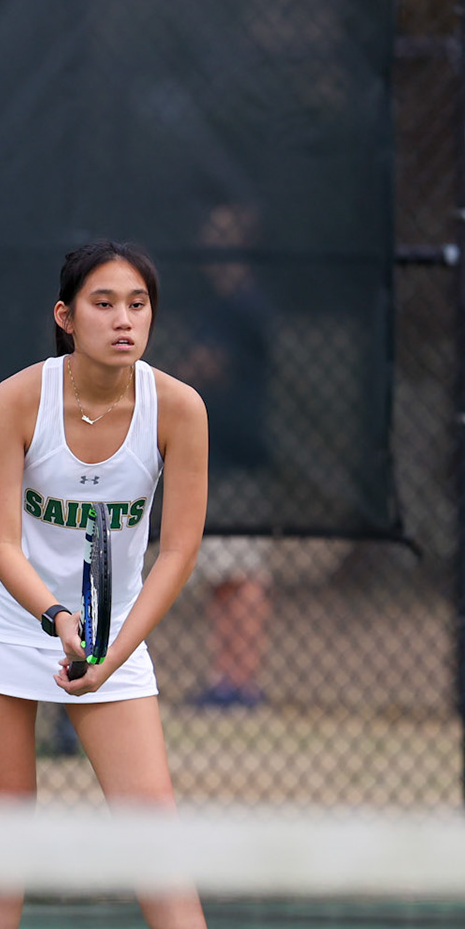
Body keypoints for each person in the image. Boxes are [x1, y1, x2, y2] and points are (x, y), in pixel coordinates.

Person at [0, 240, 298, 929]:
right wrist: (56, 617)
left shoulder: (181, 410)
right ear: (66, 316)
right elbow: (2, 539)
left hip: (110, 628)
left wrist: (115, 646)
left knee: (150, 815)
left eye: (137, 304)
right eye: (102, 303)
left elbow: (178, 551)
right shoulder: (16, 402)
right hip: (0, 612)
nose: (123, 319)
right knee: (6, 808)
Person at [171, 204, 273, 708]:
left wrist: (157, 383)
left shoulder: (240, 307)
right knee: (218, 570)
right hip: (214, 459)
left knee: (244, 568)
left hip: (240, 455)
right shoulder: (218, 306)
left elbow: (206, 367)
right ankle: (225, 677)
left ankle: (243, 681)